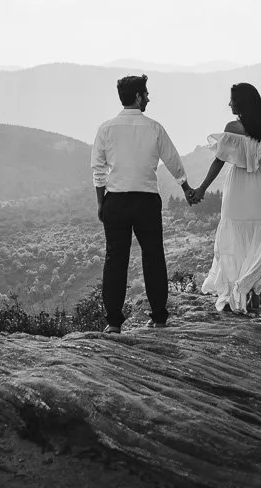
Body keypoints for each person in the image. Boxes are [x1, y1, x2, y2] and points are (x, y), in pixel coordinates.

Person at [91, 74, 199, 333]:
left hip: (115, 200)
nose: (149, 97)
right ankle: (159, 317)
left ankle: (114, 323)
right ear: (138, 97)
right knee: (153, 257)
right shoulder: (154, 127)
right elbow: (173, 160)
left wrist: (100, 204)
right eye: (146, 93)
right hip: (147, 201)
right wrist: (186, 188)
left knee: (115, 260)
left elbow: (98, 170)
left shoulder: (106, 128)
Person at [191, 82, 261, 314]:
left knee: (236, 236)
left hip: (240, 185)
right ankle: (254, 294)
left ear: (241, 103)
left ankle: (238, 293)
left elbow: (218, 160)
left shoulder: (232, 127)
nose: (229, 104)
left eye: (232, 100)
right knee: (258, 239)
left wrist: (201, 189)